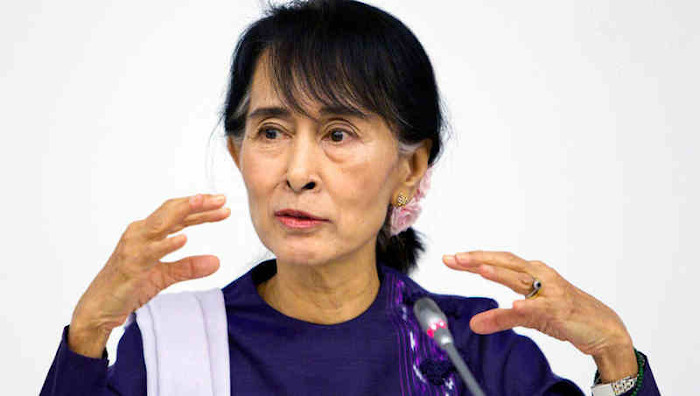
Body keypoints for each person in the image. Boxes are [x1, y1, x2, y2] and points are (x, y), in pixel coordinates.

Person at [40, 0, 661, 395]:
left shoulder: (476, 353)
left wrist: (612, 353)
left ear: (410, 169)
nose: (299, 171)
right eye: (272, 132)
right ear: (238, 155)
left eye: (338, 133)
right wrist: (88, 336)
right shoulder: (172, 346)